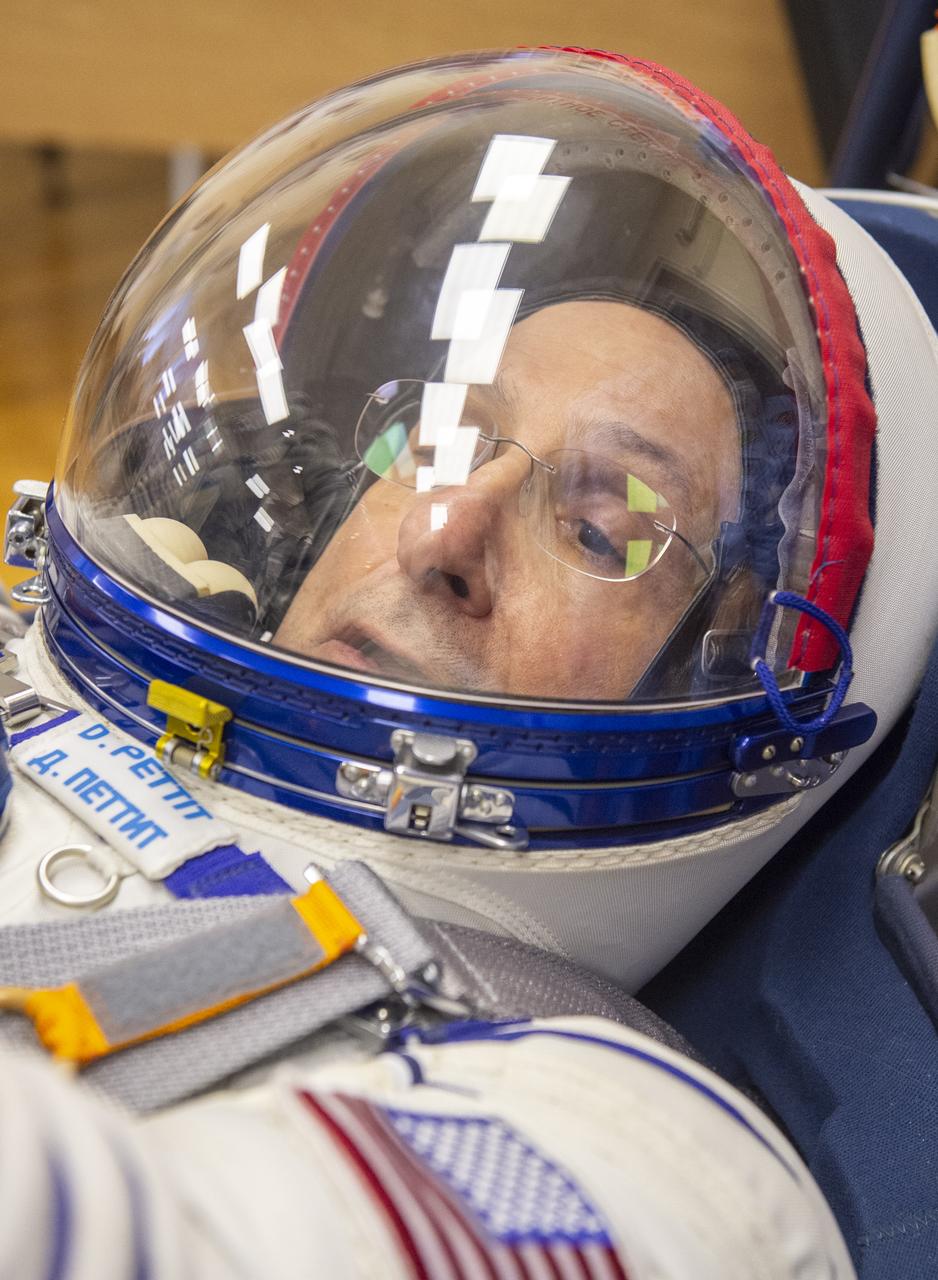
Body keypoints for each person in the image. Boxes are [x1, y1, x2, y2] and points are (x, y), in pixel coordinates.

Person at [1, 46, 937, 1277]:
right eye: (435, 440)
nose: (442, 532)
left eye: (600, 528)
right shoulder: (51, 660)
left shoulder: (638, 1155)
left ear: (719, 671)